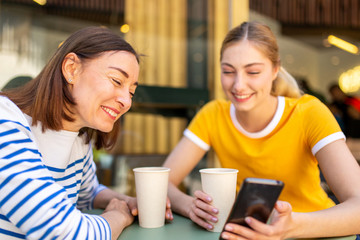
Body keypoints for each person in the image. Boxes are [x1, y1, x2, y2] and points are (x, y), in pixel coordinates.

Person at [163, 21, 360, 239]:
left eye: (253, 72)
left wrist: (291, 226)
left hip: (318, 234)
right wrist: (190, 205)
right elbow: (164, 182)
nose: (238, 85)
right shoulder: (213, 114)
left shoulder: (309, 113)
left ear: (275, 69)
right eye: (228, 71)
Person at [0, 26, 172, 239]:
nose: (126, 101)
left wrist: (128, 203)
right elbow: (64, 232)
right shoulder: (5, 121)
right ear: (72, 68)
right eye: (116, 81)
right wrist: (118, 217)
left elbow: (88, 193)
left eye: (131, 92)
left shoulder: (79, 139)